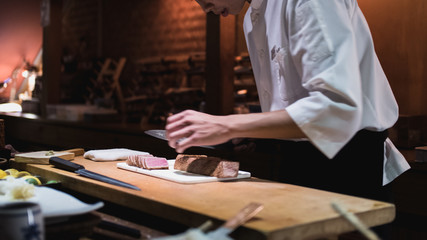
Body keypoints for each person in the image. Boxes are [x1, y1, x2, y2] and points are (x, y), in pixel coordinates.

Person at [166, 0, 410, 202]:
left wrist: (227, 125)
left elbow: (336, 107)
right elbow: (294, 103)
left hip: (351, 165)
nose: (203, 8)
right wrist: (258, 132)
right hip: (296, 162)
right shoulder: (252, 18)